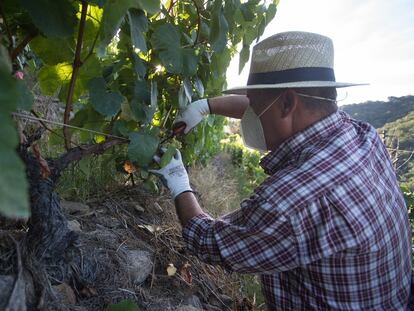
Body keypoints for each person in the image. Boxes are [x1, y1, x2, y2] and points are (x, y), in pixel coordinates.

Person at [150, 31, 413, 310]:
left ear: (287, 103)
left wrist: (178, 181)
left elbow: (209, 241)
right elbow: (269, 107)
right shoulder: (363, 136)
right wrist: (205, 107)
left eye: (256, 105)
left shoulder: (293, 200)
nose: (252, 115)